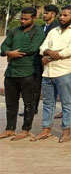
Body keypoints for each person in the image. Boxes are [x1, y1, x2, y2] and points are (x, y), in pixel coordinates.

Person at [30, 5, 71, 143]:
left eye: (65, 15)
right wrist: (49, 52)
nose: (61, 17)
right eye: (61, 15)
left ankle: (66, 131)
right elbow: (42, 47)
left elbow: (70, 50)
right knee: (48, 103)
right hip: (48, 72)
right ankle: (46, 129)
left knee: (66, 103)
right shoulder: (53, 31)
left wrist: (49, 56)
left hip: (64, 71)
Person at [0, 7, 44, 141]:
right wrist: (9, 53)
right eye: (22, 18)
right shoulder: (14, 31)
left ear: (34, 19)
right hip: (11, 73)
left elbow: (32, 49)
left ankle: (26, 129)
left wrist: (13, 53)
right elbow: (3, 47)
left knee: (28, 103)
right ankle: (10, 129)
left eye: (26, 19)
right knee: (11, 103)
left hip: (28, 72)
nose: (23, 21)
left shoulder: (38, 32)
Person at [27, 4, 59, 117]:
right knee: (35, 85)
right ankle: (32, 108)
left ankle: (51, 111)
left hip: (51, 61)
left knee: (52, 87)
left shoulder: (57, 28)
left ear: (53, 14)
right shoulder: (41, 27)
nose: (44, 15)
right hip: (38, 60)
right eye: (44, 13)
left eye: (46, 13)